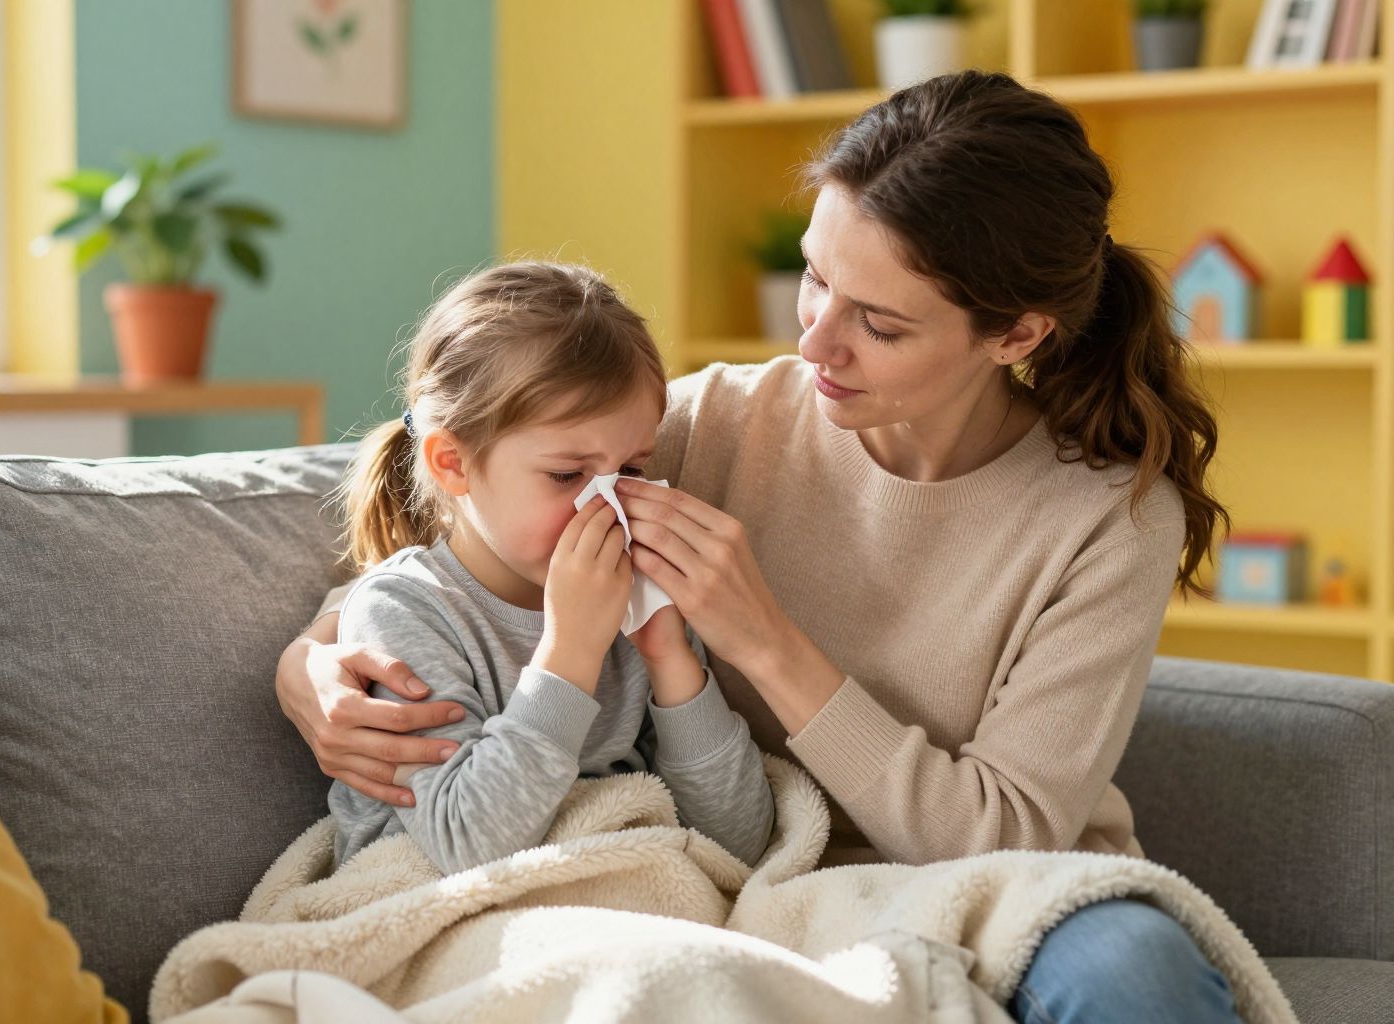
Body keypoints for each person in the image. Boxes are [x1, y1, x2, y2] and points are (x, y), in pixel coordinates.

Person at [278, 71, 1237, 1020]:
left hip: (976, 882)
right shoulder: (711, 422)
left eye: (880, 323)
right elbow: (459, 546)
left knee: (1135, 975)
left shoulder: (1106, 519)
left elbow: (1004, 835)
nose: (817, 344)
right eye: (817, 279)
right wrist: (312, 666)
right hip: (755, 880)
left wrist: (765, 641)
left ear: (1015, 335)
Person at [324, 260, 773, 875]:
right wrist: (571, 651)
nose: (608, 505)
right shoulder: (402, 612)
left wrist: (670, 658)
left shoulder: (637, 605)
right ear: (452, 464)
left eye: (632, 471)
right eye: (568, 475)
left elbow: (738, 841)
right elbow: (469, 844)